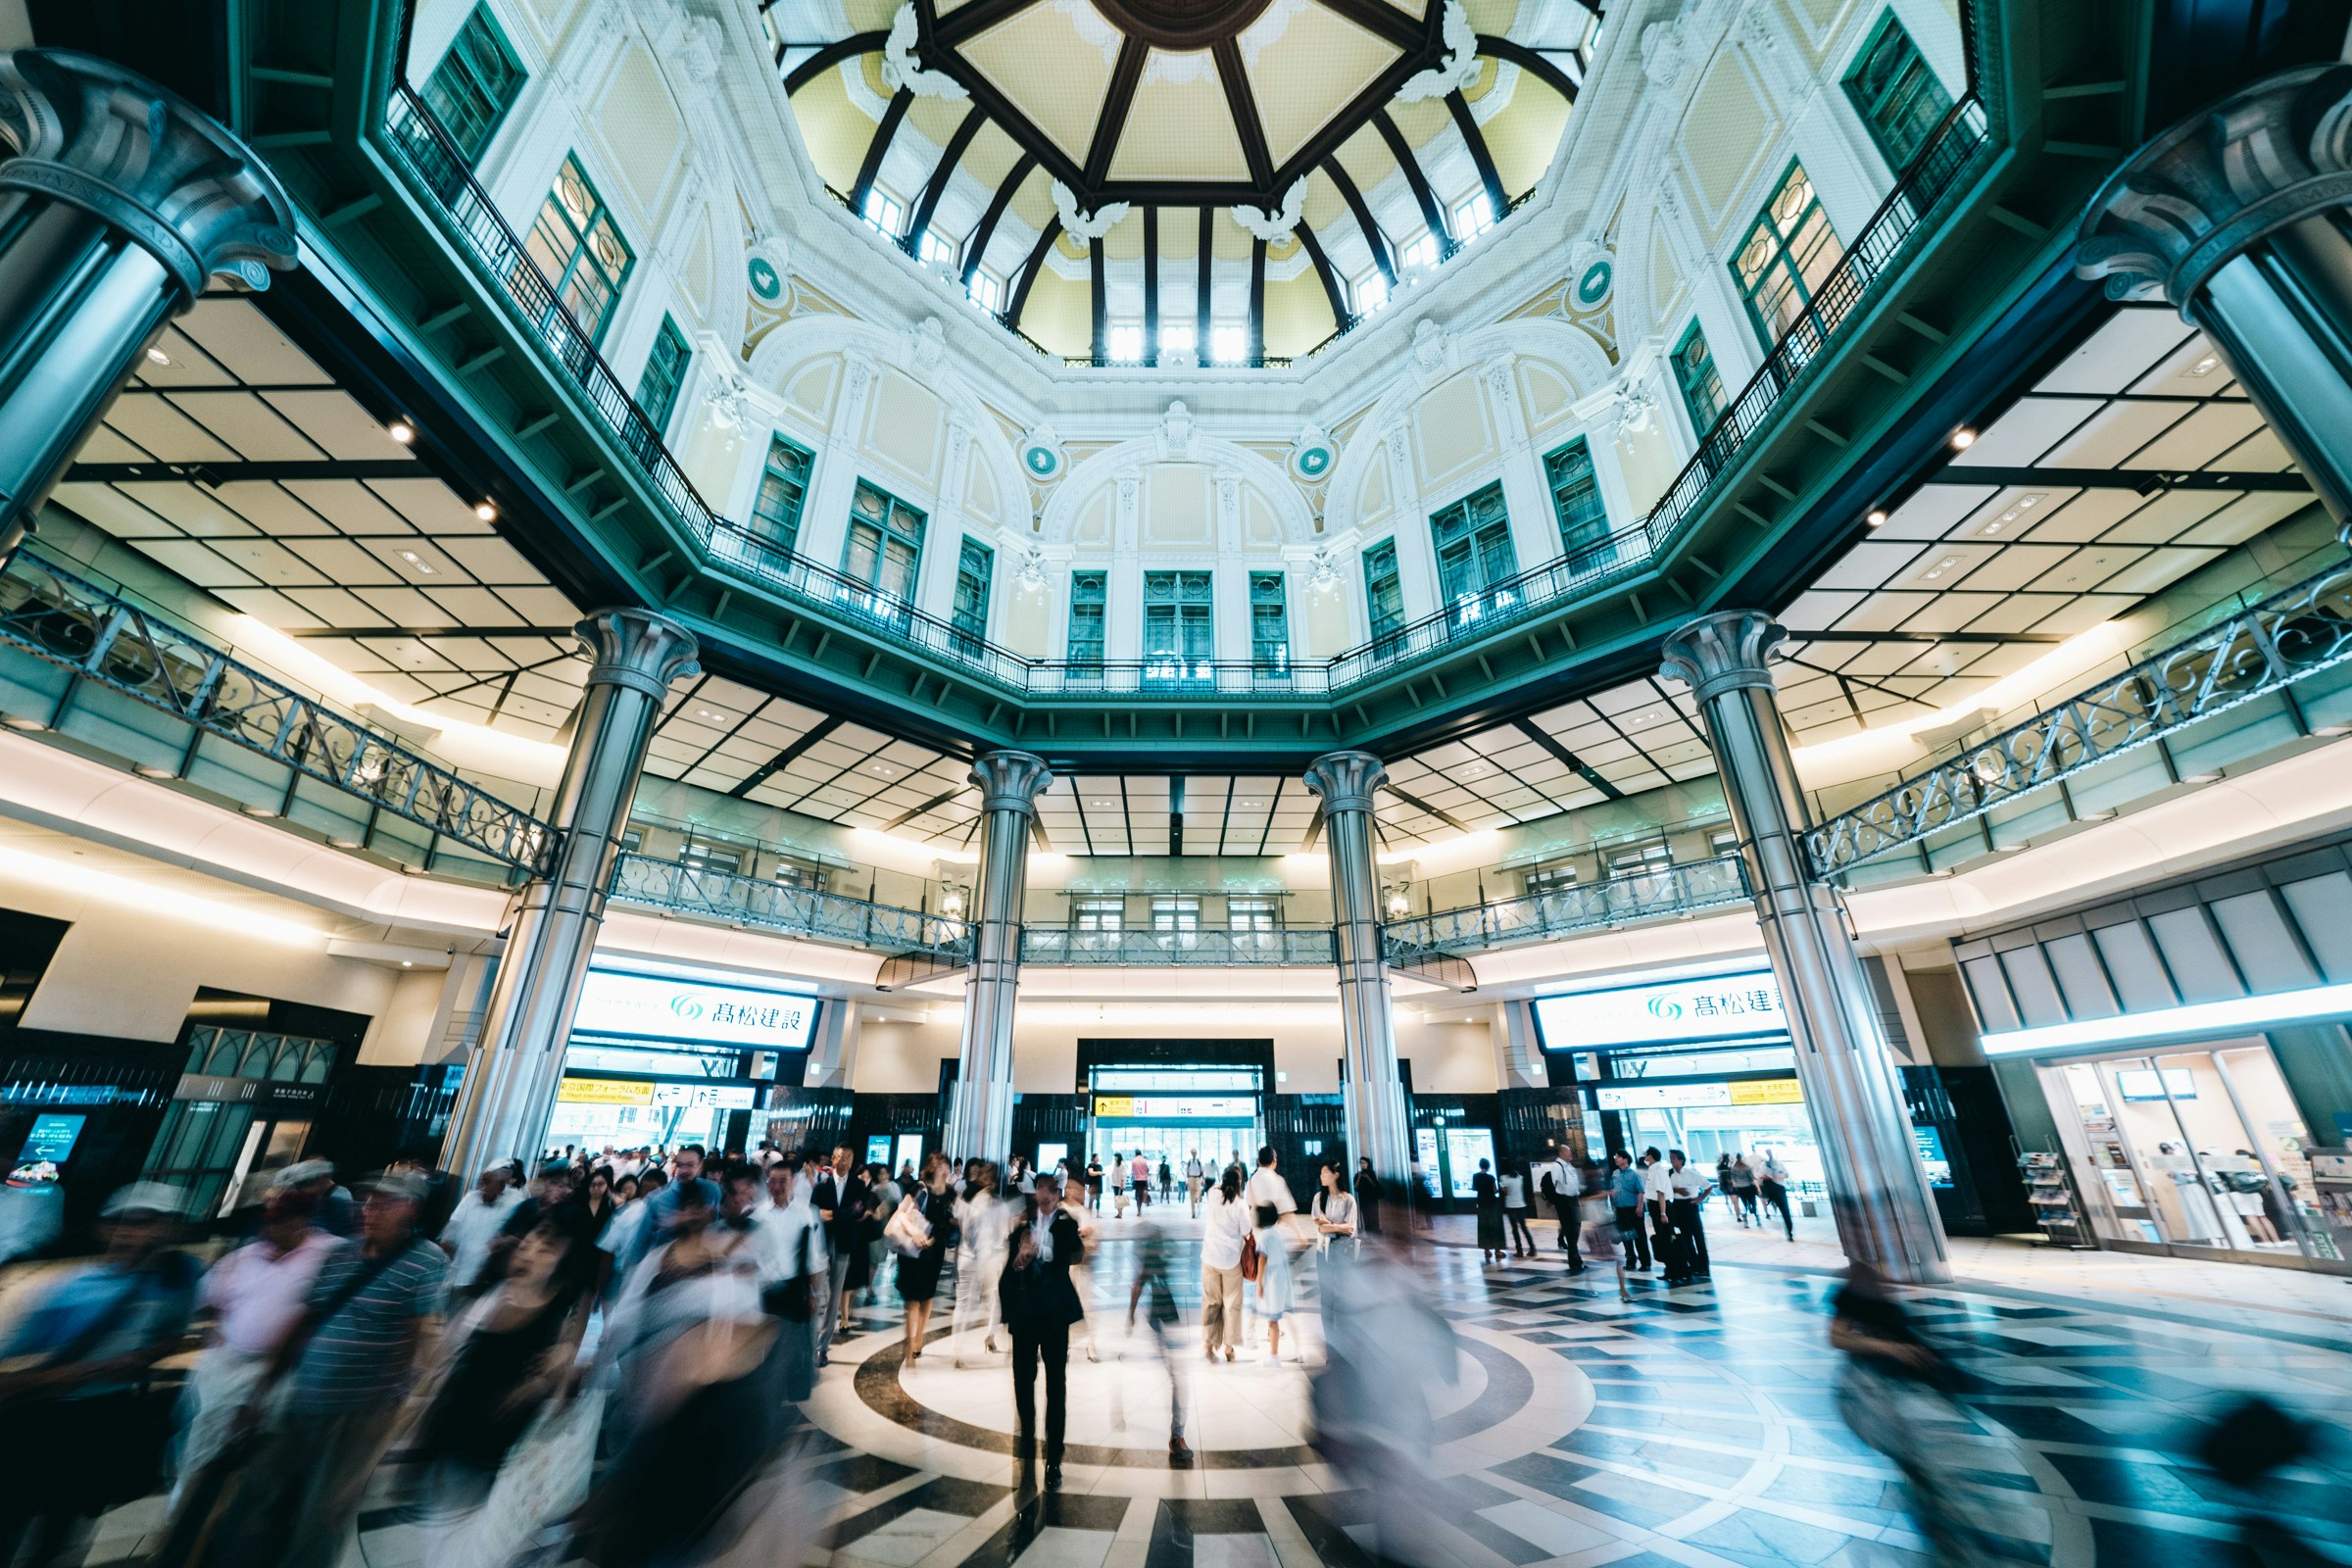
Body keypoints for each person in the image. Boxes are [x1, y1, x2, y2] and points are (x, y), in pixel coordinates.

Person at [231, 1171, 450, 1568]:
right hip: (303, 1397)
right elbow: (304, 1323)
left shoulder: (427, 1261)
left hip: (362, 1412)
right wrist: (260, 1393)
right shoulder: (340, 1253)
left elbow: (426, 1341)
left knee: (324, 1511)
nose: (371, 1210)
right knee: (261, 1499)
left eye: (385, 1203)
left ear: (412, 1209)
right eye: (368, 1201)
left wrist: (411, 1405)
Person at [0, 1182, 201, 1567]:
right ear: (105, 1228)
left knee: (67, 1520)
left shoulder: (179, 1277)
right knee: (12, 1516)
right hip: (42, 1418)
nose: (136, 1232)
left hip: (105, 1416)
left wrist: (142, 1356)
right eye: (128, 1222)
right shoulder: (69, 1290)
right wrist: (79, 1372)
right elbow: (10, 1372)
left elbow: (173, 1334)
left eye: (151, 1223)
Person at [408, 1214, 589, 1519]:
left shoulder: (558, 1316)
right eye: (526, 1245)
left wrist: (543, 1381)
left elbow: (565, 1381)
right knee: (443, 1508)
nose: (529, 1254)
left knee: (466, 1516)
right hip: (455, 1422)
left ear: (563, 1264)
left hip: (500, 1442)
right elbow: (446, 1354)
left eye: (545, 1251)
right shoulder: (491, 1296)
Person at [174, 1188, 336, 1503]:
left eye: (280, 1221)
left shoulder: (330, 1253)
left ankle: (235, 1516)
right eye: (268, 1220)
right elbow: (209, 1301)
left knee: (260, 1453)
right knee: (203, 1445)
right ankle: (184, 1509)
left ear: (302, 1223)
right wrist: (217, 1331)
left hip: (283, 1371)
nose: (270, 1229)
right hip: (227, 1366)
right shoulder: (243, 1256)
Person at [1000, 1173, 1084, 1490]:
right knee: (1023, 1380)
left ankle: (1054, 1457)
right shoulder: (1021, 1227)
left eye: (1051, 1191)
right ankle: (1026, 1442)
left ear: (1058, 1194)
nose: (1045, 1196)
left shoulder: (1064, 1224)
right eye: (1040, 1190)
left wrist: (1040, 1252)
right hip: (1025, 1315)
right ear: (1035, 1193)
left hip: (1053, 1315)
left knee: (1056, 1385)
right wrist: (1020, 1260)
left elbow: (1071, 1253)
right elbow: (1009, 1269)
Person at [1127, 1208, 1192, 1459]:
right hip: (1161, 1319)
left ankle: (1178, 1433)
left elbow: (1138, 1285)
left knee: (1177, 1376)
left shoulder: (1157, 1257)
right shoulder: (1153, 1260)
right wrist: (1130, 1314)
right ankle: (1177, 1435)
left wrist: (1131, 1315)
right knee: (1177, 1377)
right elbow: (1138, 1284)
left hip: (1165, 1318)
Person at [895, 1154, 958, 1365]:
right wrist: (913, 1231)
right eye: (940, 1164)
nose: (945, 1168)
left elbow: (953, 1218)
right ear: (932, 1167)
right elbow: (902, 1213)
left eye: (946, 1164)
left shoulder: (950, 1193)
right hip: (914, 1249)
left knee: (928, 1295)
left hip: (935, 1248)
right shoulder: (920, 1188)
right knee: (912, 1297)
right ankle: (909, 1342)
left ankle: (919, 1339)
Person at [808, 1147, 867, 1364]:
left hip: (843, 1244)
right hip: (821, 1244)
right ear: (833, 1159)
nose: (844, 1161)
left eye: (849, 1158)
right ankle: (808, 1343)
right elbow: (813, 1211)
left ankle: (822, 1347)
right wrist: (840, 1214)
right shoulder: (823, 1184)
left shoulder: (857, 1185)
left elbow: (858, 1210)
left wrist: (833, 1215)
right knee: (816, 1293)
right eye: (841, 1157)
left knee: (834, 1296)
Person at [1246, 1146, 1299, 1364]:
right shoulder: (1277, 1180)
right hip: (1277, 1239)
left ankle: (1253, 1332)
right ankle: (1273, 1329)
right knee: (1278, 1293)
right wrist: (1299, 1235)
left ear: (1258, 1160)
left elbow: (1249, 1205)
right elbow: (1286, 1211)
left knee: (1260, 1288)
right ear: (1274, 1161)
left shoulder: (1251, 1181)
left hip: (1259, 1235)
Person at [952, 1161, 1009, 1365]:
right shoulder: (994, 1202)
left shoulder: (967, 1198)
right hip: (988, 1256)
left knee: (965, 1302)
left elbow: (962, 1225)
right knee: (993, 1297)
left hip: (969, 1255)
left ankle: (958, 1349)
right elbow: (1003, 1232)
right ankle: (989, 1337)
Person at [438, 1164, 521, 1303]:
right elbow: (451, 1231)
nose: (481, 1186)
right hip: (454, 1277)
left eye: (487, 1182)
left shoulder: (513, 1205)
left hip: (482, 1284)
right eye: (481, 1181)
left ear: (501, 1185)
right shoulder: (471, 1198)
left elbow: (512, 1241)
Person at [1199, 1164, 1249, 1363]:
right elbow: (1246, 1230)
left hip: (1210, 1256)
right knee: (1232, 1303)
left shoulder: (1212, 1194)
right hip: (1230, 1260)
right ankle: (1229, 1346)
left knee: (1211, 1301)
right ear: (1239, 1182)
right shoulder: (1240, 1204)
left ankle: (1209, 1344)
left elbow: (1218, 1188)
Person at [1538, 1146, 1585, 1272]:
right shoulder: (1557, 1166)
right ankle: (1575, 1260)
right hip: (1565, 1202)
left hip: (1573, 1200)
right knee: (1571, 1232)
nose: (1571, 1153)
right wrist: (1557, 1201)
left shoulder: (1569, 1166)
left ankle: (1575, 1259)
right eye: (1568, 1151)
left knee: (1575, 1230)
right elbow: (1553, 1184)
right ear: (1562, 1152)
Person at [1666, 1150, 1711, 1280]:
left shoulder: (1692, 1174)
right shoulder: (1670, 1174)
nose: (1672, 1160)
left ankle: (1704, 1266)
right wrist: (1676, 1190)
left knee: (1698, 1236)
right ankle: (1694, 1264)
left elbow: (1708, 1186)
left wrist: (1700, 1199)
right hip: (1677, 1206)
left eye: (1674, 1158)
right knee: (1686, 1237)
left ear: (1681, 1160)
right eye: (1670, 1158)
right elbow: (1665, 1188)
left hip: (1690, 1206)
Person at [1607, 1151, 1651, 1271]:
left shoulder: (1634, 1175)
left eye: (1618, 1157)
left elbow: (1641, 1191)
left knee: (1639, 1237)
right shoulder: (1615, 1174)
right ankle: (1631, 1260)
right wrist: (1613, 1204)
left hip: (1634, 1210)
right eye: (1615, 1157)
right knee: (1626, 1237)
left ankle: (1645, 1262)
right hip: (1621, 1210)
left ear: (1625, 1159)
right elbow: (1611, 1189)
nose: (1616, 1159)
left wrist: (1640, 1207)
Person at [1311, 1157, 1358, 1262]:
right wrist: (1340, 1227)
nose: (1321, 1175)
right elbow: (1321, 1228)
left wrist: (1329, 1224)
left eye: (1325, 1172)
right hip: (1322, 1248)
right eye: (1321, 1173)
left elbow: (1350, 1228)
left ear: (1336, 1175)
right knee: (1324, 1278)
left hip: (1343, 1249)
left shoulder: (1348, 1199)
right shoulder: (1319, 1197)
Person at [1641, 1147, 1676, 1276]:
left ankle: (1673, 1268)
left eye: (1646, 1154)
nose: (1644, 1157)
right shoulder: (1652, 1170)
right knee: (1663, 1238)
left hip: (1661, 1207)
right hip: (1656, 1207)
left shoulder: (1658, 1171)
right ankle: (1669, 1268)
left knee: (1667, 1238)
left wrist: (1663, 1213)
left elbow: (1660, 1192)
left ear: (1650, 1156)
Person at [1756, 1149, 1794, 1240]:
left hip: (1779, 1189)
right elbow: (1760, 1175)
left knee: (1785, 1211)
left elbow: (1786, 1174)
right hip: (1772, 1190)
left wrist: (1776, 1177)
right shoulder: (1764, 1165)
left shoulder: (1779, 1164)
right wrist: (1768, 1177)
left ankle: (1789, 1230)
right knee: (1784, 1210)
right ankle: (1788, 1230)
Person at [1472, 1157, 1504, 1264]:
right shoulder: (1491, 1177)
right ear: (1488, 1166)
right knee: (1494, 1226)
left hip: (1481, 1204)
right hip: (1492, 1204)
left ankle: (1486, 1250)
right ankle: (1497, 1251)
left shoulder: (1475, 1176)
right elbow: (1495, 1190)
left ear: (1480, 1165)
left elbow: (1474, 1188)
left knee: (1483, 1227)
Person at [1499, 1162, 1535, 1258]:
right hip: (1521, 1205)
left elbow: (1505, 1192)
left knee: (1515, 1229)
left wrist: (1503, 1189)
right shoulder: (1519, 1177)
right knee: (1524, 1228)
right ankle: (1532, 1248)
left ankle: (1519, 1251)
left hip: (1511, 1206)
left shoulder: (1503, 1178)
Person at [1353, 1156, 1385, 1237]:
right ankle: (1369, 1234)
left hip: (1372, 1199)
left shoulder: (1372, 1173)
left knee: (1374, 1216)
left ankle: (1376, 1233)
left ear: (1368, 1164)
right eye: (1361, 1163)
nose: (1363, 1165)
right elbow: (1356, 1187)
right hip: (1363, 1199)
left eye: (1364, 1163)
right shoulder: (1357, 1175)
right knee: (1366, 1217)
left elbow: (1375, 1185)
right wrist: (1360, 1177)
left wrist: (1368, 1177)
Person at [1109, 1150, 1129, 1217]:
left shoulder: (1123, 1165)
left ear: (1119, 1157)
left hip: (1120, 1184)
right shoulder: (1115, 1164)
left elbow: (1123, 1175)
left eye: (1116, 1157)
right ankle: (1119, 1212)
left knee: (1119, 1199)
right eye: (1114, 1157)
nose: (1115, 1158)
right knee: (1116, 1199)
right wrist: (1112, 1183)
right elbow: (1113, 1174)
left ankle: (1120, 1213)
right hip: (1115, 1184)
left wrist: (1122, 1184)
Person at [1185, 1151, 1205, 1215]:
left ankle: (1197, 1198)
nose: (1194, 1154)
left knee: (1199, 1191)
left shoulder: (1199, 1162)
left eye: (1195, 1153)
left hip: (1197, 1178)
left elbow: (1202, 1171)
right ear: (1191, 1153)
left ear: (1196, 1153)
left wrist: (1203, 1179)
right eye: (1193, 1153)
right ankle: (1193, 1212)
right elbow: (1186, 1172)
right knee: (1192, 1197)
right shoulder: (1189, 1162)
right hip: (1191, 1178)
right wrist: (1186, 1180)